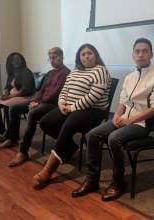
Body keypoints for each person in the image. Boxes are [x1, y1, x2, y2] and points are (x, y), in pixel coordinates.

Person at [71, 38, 154, 201]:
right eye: (137, 51)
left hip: (142, 123)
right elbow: (123, 100)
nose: (141, 54)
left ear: (151, 54)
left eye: (145, 51)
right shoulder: (130, 77)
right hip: (124, 119)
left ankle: (118, 182)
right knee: (92, 135)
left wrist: (131, 120)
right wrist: (116, 115)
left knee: (114, 138)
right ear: (133, 55)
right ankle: (92, 180)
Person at [33, 43, 111, 188]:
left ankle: (49, 170)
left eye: (90, 53)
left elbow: (92, 97)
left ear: (96, 55)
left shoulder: (100, 71)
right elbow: (65, 89)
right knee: (45, 122)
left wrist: (72, 108)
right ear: (79, 58)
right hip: (70, 107)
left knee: (69, 124)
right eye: (83, 54)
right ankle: (68, 147)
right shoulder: (75, 71)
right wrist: (62, 103)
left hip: (93, 111)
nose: (86, 56)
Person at [0, 47, 70, 167]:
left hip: (54, 104)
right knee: (14, 108)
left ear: (62, 57)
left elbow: (55, 93)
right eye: (50, 58)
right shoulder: (50, 73)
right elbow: (40, 90)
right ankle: (13, 138)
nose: (52, 60)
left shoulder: (66, 73)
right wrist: (35, 100)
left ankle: (23, 152)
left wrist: (38, 103)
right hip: (41, 102)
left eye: (55, 57)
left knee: (32, 114)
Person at [0, 52, 35, 140]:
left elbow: (25, 90)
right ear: (10, 62)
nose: (16, 61)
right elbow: (7, 87)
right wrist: (5, 93)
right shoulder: (12, 73)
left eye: (18, 59)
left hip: (26, 97)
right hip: (14, 96)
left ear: (22, 60)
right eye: (13, 60)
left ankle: (10, 133)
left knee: (7, 104)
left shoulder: (26, 72)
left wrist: (8, 97)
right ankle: (0, 128)